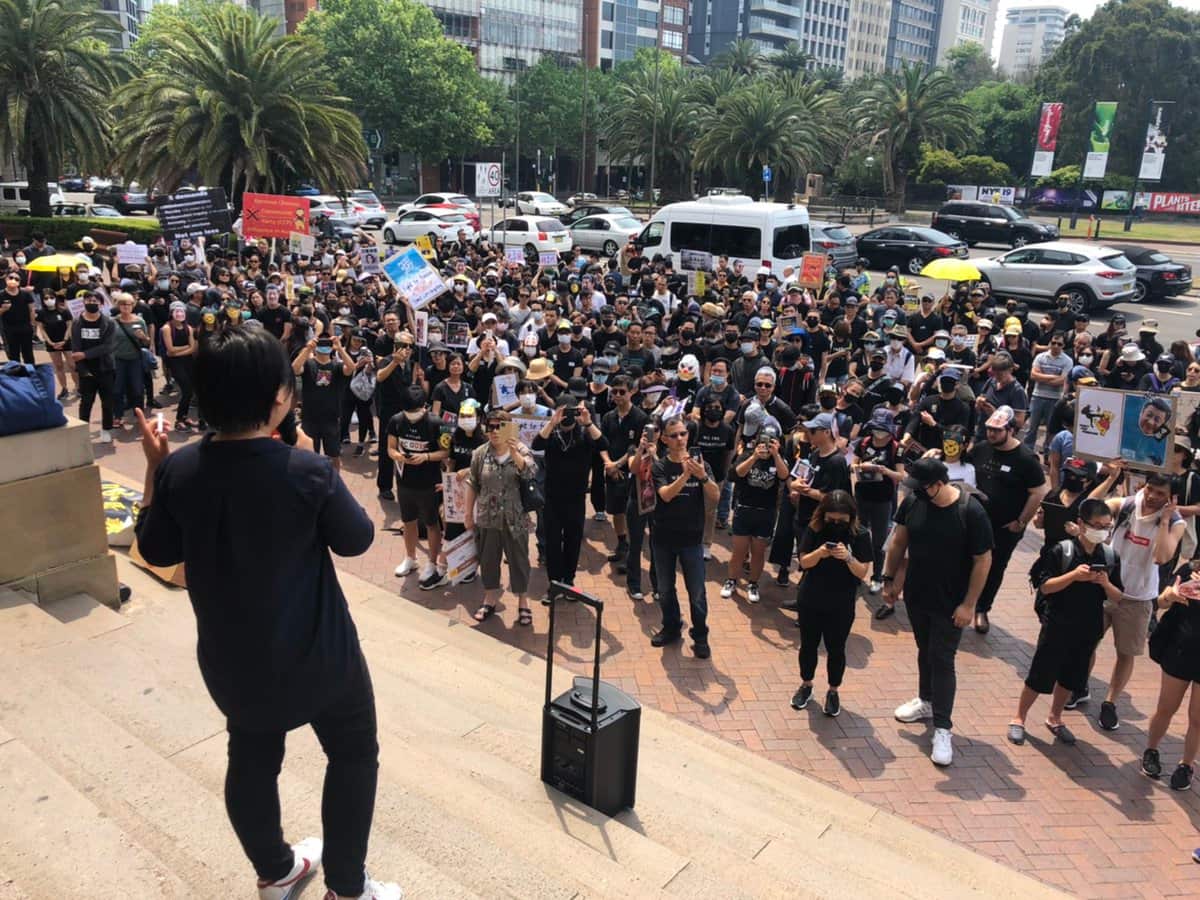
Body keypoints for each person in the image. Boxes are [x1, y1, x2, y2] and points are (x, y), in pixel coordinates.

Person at [132, 327, 401, 900]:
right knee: (353, 755)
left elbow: (155, 551)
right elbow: (356, 540)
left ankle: (277, 873)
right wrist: (310, 458)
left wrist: (155, 468)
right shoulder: (305, 472)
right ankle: (347, 890)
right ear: (280, 398)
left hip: (234, 664)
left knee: (252, 759)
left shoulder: (181, 471)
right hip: (322, 659)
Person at [883, 457, 994, 766]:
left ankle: (943, 728)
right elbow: (898, 542)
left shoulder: (970, 511)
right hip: (918, 596)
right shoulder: (914, 502)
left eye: (920, 487)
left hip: (952, 602)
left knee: (943, 658)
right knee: (925, 650)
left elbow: (983, 560)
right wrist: (889, 579)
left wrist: (969, 604)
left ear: (938, 484)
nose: (914, 491)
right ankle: (926, 700)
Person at [1008, 499, 1123, 747]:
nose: (1102, 531)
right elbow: (1045, 587)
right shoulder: (1062, 551)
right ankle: (1019, 718)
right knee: (1041, 673)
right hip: (1058, 623)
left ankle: (1055, 717)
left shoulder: (1111, 556)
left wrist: (1104, 583)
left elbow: (1118, 596)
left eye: (1107, 526)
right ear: (1081, 524)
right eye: (1097, 525)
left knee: (1071, 677)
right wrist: (1073, 576)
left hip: (1089, 627)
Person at [1088, 468, 1185, 731]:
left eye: (1160, 493)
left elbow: (1162, 557)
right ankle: (1079, 686)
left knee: (1125, 652)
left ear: (1171, 498)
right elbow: (1089, 509)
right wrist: (1109, 479)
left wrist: (1164, 521)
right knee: (1088, 641)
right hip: (1105, 587)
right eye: (1150, 488)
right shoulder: (1127, 504)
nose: (1152, 496)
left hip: (1138, 598)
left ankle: (1110, 702)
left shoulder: (1176, 523)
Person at [967, 405, 1048, 634]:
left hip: (1005, 527)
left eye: (998, 430)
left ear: (1010, 430)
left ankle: (982, 608)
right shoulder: (981, 449)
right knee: (968, 561)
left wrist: (1021, 522)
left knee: (995, 567)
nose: (992, 434)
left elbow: (1037, 492)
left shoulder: (1026, 458)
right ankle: (965, 601)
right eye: (989, 429)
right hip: (977, 522)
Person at [791, 490, 872, 717]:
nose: (835, 524)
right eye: (831, 519)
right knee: (808, 645)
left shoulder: (860, 534)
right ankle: (806, 685)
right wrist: (820, 552)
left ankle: (833, 690)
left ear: (851, 517)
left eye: (841, 521)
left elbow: (862, 571)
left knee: (836, 649)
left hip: (841, 601)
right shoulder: (815, 528)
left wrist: (847, 557)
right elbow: (804, 562)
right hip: (811, 597)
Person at [650, 415, 720, 658]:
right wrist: (686, 476)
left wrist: (701, 475)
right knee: (666, 588)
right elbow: (665, 495)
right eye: (674, 435)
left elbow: (715, 495)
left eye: (683, 434)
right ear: (664, 439)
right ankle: (671, 627)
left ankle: (700, 635)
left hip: (692, 540)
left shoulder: (701, 465)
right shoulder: (659, 466)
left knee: (697, 592)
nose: (680, 439)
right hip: (663, 539)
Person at [464, 409, 536, 626]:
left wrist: (515, 454)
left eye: (499, 427)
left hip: (516, 517)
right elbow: (472, 483)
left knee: (519, 560)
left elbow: (531, 472)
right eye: (490, 426)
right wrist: (468, 513)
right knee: (488, 559)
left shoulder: (521, 450)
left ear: (509, 428)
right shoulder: (480, 453)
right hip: (488, 516)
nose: (494, 432)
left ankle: (523, 601)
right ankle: (490, 597)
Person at [534, 395, 607, 588]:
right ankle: (555, 582)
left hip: (576, 498)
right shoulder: (551, 433)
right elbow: (536, 445)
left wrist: (588, 422)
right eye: (564, 412)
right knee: (552, 541)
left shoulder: (585, 434)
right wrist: (551, 423)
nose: (567, 416)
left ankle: (569, 579)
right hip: (552, 498)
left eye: (571, 412)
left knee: (573, 540)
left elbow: (604, 445)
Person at [1141, 559, 1200, 791]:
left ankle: (1186, 765)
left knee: (1197, 718)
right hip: (1180, 650)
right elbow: (1160, 601)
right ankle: (1151, 750)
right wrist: (1173, 596)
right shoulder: (1190, 570)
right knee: (1166, 707)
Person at [387, 384, 449, 589]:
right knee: (408, 521)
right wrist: (399, 457)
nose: (411, 415)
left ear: (424, 406)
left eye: (415, 411)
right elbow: (391, 448)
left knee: (432, 523)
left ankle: (432, 563)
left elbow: (446, 453)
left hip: (429, 482)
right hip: (405, 482)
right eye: (408, 411)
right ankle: (410, 558)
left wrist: (426, 457)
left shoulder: (437, 423)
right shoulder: (396, 420)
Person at [722, 425, 788, 604]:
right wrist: (754, 457)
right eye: (763, 441)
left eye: (771, 441)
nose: (766, 445)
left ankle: (753, 583)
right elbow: (736, 474)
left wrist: (775, 455)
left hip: (766, 513)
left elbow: (784, 476)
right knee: (739, 551)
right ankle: (731, 580)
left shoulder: (778, 459)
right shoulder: (748, 455)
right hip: (745, 509)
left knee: (758, 552)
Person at [294, 334, 356, 470]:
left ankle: (335, 484)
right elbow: (294, 368)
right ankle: (311, 482)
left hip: (331, 418)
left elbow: (351, 367)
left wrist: (340, 348)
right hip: (310, 418)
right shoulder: (309, 364)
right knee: (309, 455)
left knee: (334, 456)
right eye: (321, 343)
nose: (323, 346)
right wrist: (307, 349)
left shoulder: (337, 366)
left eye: (326, 344)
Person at [70, 290, 117, 444]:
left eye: (95, 301)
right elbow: (75, 347)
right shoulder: (77, 322)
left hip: (105, 368)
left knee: (108, 402)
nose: (92, 303)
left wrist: (85, 354)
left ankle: (106, 429)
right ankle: (83, 430)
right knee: (86, 402)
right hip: (86, 371)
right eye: (88, 300)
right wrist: (82, 367)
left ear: (101, 304)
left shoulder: (109, 322)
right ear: (83, 302)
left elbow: (108, 346)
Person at [1, 270, 36, 363]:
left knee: (28, 354)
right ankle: (17, 375)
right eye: (11, 278)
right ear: (6, 279)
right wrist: (3, 309)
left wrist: (32, 324)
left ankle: (31, 375)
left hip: (25, 327)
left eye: (16, 279)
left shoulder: (25, 294)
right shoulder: (1, 295)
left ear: (19, 282)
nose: (13, 280)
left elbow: (32, 309)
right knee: (14, 355)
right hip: (9, 329)